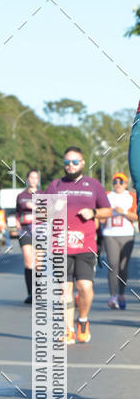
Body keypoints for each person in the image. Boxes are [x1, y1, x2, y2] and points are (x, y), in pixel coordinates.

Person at [45, 147, 111, 344]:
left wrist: (94, 212)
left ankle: (83, 320)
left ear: (82, 163)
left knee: (84, 287)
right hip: (60, 245)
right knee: (64, 289)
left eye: (75, 162)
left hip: (85, 245)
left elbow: (107, 210)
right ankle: (68, 330)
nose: (70, 166)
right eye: (67, 162)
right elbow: (42, 213)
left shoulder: (94, 185)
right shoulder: (55, 185)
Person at [102, 172, 137, 309]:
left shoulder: (131, 196)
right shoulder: (107, 195)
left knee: (123, 267)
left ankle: (121, 294)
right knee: (113, 264)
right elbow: (101, 214)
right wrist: (108, 213)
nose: (118, 184)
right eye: (115, 182)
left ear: (126, 184)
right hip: (110, 233)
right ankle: (113, 296)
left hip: (127, 234)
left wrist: (124, 212)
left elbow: (136, 216)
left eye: (121, 182)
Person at [16, 169, 40, 303]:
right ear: (27, 179)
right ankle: (31, 293)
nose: (33, 180)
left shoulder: (43, 194)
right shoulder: (21, 196)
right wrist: (17, 227)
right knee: (28, 262)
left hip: (40, 230)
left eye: (35, 177)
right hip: (25, 231)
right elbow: (17, 212)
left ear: (38, 180)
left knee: (39, 264)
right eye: (31, 177)